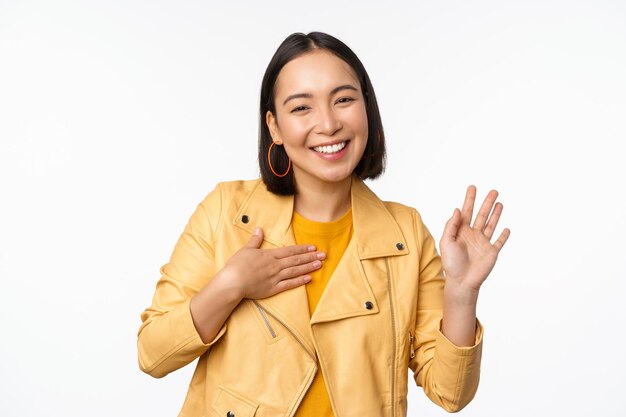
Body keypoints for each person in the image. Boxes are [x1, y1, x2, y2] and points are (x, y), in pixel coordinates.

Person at [137, 31, 510, 417]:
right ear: (275, 127)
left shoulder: (405, 232)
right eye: (301, 108)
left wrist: (462, 292)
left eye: (344, 100)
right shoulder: (225, 213)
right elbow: (152, 353)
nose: (329, 123)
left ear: (367, 108)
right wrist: (231, 285)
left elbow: (450, 393)